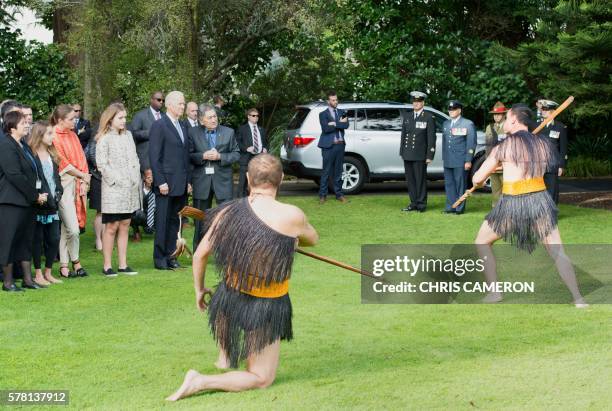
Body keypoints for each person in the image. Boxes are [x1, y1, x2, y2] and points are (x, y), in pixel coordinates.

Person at [166, 154, 319, 401]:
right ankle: (200, 380)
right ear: (280, 180)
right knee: (261, 378)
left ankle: (225, 356)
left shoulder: (228, 212)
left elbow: (200, 255)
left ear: (248, 179)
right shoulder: (293, 215)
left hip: (228, 298)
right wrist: (292, 236)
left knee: (228, 299)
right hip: (265, 304)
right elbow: (313, 239)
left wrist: (200, 288)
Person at [472, 104, 587, 307]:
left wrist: (488, 171)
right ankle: (578, 299)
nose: (506, 122)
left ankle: (494, 292)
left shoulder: (503, 148)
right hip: (539, 201)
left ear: (515, 121)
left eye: (507, 118)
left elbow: (478, 179)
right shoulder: (543, 145)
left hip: (512, 203)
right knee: (557, 251)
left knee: (481, 242)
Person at [0, 111, 48, 291]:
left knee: (25, 241)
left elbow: (33, 171)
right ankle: (7, 282)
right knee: (9, 241)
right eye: (23, 123)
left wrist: (39, 193)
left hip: (27, 202)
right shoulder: (5, 144)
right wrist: (34, 195)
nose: (28, 125)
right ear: (12, 127)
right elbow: (14, 175)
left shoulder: (23, 145)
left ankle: (28, 280)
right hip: (11, 202)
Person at [96, 103, 142, 277]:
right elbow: (102, 164)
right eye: (120, 117)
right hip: (113, 189)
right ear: (110, 119)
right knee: (111, 226)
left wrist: (135, 176)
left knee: (125, 224)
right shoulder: (104, 137)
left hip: (130, 188)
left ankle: (123, 264)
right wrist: (116, 180)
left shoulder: (128, 135)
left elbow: (135, 157)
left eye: (125, 117)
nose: (124, 121)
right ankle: (107, 265)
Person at [149, 91, 191, 270]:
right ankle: (160, 259)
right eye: (180, 104)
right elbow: (154, 156)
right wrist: (160, 181)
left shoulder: (182, 125)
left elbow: (185, 156)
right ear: (170, 105)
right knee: (163, 222)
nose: (183, 107)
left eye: (183, 104)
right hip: (166, 183)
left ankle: (172, 256)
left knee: (175, 222)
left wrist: (188, 181)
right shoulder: (159, 125)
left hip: (181, 183)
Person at [188, 104, 240, 249]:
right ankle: (199, 251)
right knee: (200, 219)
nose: (213, 120)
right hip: (201, 182)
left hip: (223, 182)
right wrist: (202, 156)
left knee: (226, 218)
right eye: (209, 117)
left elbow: (236, 154)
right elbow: (188, 155)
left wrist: (220, 156)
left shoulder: (228, 132)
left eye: (215, 116)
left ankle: (228, 252)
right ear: (201, 120)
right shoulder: (192, 133)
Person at [52, 104, 90, 279]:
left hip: (77, 183)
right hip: (63, 185)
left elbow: (81, 158)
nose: (74, 121)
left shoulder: (73, 135)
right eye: (70, 119)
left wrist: (84, 179)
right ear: (60, 120)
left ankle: (66, 265)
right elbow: (62, 162)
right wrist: (82, 174)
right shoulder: (53, 135)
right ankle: (74, 261)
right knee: (72, 228)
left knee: (68, 227)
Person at [30, 121, 64, 285]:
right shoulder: (32, 155)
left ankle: (48, 272)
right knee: (37, 239)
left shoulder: (52, 155)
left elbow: (55, 178)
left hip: (53, 205)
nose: (53, 136)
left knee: (54, 238)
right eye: (49, 133)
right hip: (39, 205)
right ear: (40, 135)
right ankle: (37, 274)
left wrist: (59, 191)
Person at [400, 91, 436, 212]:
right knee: (410, 181)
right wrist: (402, 152)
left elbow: (431, 138)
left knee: (420, 180)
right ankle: (413, 203)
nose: (416, 104)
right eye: (414, 102)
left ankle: (421, 204)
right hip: (408, 153)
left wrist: (430, 155)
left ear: (423, 103)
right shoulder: (407, 116)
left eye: (418, 102)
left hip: (420, 155)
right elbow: (403, 135)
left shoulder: (428, 117)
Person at [442, 100, 477, 214]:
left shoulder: (467, 124)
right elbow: (444, 142)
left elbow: (471, 143)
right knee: (449, 185)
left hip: (461, 160)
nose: (451, 111)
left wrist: (468, 160)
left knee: (460, 185)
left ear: (459, 110)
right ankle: (450, 207)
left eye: (454, 109)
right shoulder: (446, 124)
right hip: (448, 159)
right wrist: (444, 157)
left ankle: (459, 208)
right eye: (450, 109)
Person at [317, 90, 349, 204]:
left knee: (338, 171)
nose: (335, 102)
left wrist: (334, 123)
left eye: (336, 99)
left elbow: (346, 125)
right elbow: (326, 129)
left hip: (340, 145)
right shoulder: (322, 114)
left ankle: (339, 194)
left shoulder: (342, 112)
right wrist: (338, 123)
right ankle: (322, 195)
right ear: (328, 101)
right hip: (328, 146)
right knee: (326, 171)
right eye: (333, 100)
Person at [538, 100, 568, 204]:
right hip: (539, 164)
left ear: (553, 111)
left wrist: (561, 165)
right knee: (539, 190)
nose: (543, 112)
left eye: (546, 110)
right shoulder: (538, 126)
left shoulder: (560, 127)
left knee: (552, 190)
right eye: (543, 109)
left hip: (552, 164)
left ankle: (552, 213)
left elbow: (563, 148)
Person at [129, 91, 164, 172]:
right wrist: (152, 133)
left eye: (163, 100)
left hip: (163, 161)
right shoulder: (140, 115)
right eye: (159, 100)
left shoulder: (165, 116)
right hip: (147, 161)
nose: (161, 102)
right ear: (151, 100)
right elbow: (134, 134)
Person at [236, 108, 268, 197]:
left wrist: (265, 148)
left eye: (257, 116)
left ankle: (256, 199)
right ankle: (240, 202)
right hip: (246, 158)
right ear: (248, 117)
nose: (256, 117)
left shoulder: (261, 129)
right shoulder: (242, 129)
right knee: (243, 182)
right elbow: (237, 142)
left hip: (259, 158)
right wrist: (246, 148)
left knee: (258, 180)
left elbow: (265, 142)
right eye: (254, 115)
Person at [484, 101, 508, 207]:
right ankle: (496, 211)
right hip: (493, 164)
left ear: (504, 115)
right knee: (495, 190)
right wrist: (487, 164)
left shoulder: (508, 127)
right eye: (494, 114)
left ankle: (508, 211)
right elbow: (488, 147)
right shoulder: (489, 128)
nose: (496, 117)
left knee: (507, 190)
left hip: (505, 164)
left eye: (498, 114)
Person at [85, 133, 104, 251]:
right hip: (98, 177)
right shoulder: (97, 135)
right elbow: (91, 153)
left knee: (108, 212)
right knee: (100, 211)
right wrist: (99, 165)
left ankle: (105, 238)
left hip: (111, 178)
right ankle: (98, 239)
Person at [131, 169, 156, 241]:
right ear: (144, 178)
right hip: (143, 216)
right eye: (148, 177)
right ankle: (137, 233)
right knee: (135, 214)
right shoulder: (139, 190)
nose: (151, 179)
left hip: (155, 216)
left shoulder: (158, 188)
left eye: (152, 177)